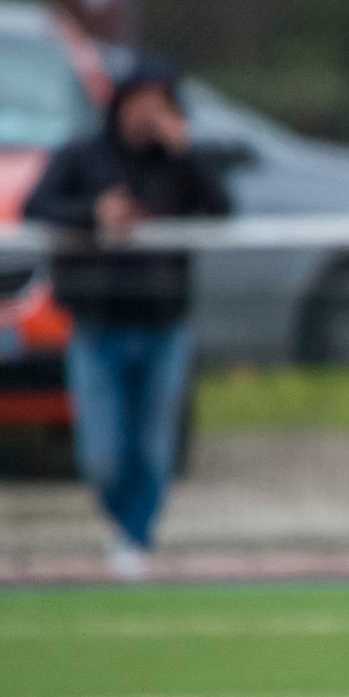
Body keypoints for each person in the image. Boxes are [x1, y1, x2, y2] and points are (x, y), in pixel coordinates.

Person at [24, 56, 230, 580]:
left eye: (160, 106)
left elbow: (224, 210)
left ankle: (136, 539)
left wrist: (185, 152)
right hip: (99, 322)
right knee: (104, 453)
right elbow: (36, 207)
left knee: (154, 443)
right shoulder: (82, 157)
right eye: (140, 103)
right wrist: (94, 215)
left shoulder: (179, 164)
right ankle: (125, 524)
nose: (147, 116)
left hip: (164, 322)